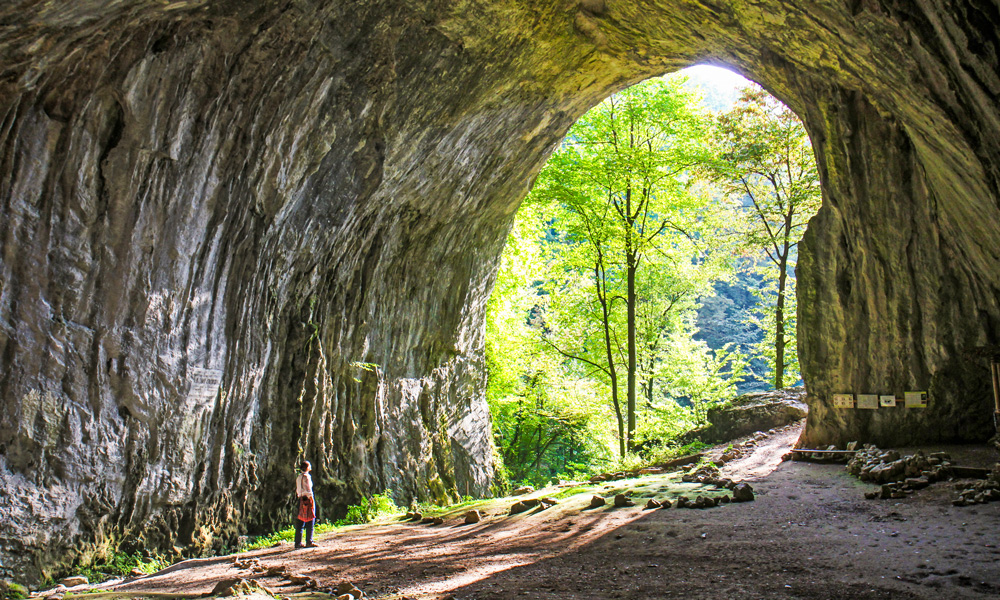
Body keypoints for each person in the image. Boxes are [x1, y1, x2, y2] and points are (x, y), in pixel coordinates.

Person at [295, 460, 318, 548]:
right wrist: (311, 500)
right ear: (307, 467)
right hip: (307, 499)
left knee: (300, 521)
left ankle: (298, 543)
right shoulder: (307, 477)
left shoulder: (299, 477)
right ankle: (309, 541)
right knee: (310, 519)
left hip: (300, 499)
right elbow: (308, 490)